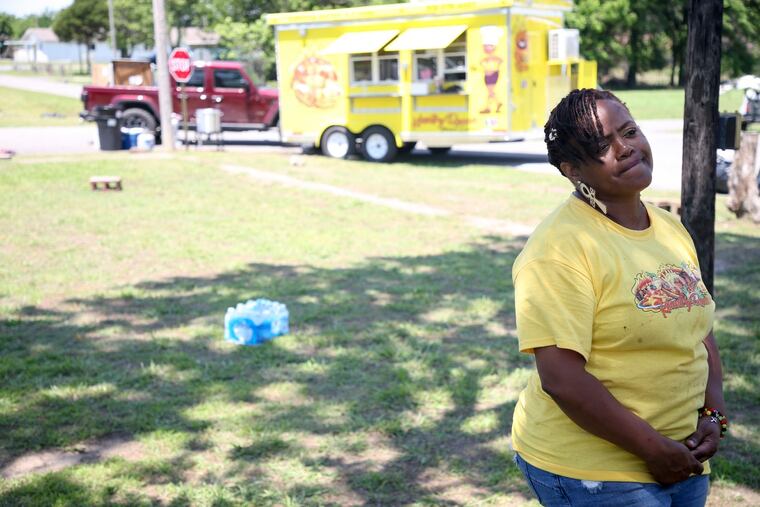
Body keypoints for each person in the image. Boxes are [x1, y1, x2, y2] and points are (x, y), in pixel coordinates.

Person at [511, 88, 728, 506]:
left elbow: (698, 328)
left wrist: (712, 412)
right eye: (602, 146)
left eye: (629, 131)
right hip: (594, 472)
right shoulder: (558, 251)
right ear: (572, 169)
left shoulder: (669, 228)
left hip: (682, 454)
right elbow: (562, 379)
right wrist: (651, 448)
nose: (625, 148)